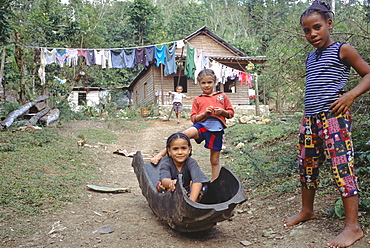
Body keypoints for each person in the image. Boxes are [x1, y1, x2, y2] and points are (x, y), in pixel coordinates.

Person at [284, 1, 370, 248]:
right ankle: (307, 210)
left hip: (334, 118)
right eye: (307, 30)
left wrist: (350, 95)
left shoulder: (343, 50)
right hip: (310, 119)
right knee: (306, 165)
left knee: (342, 168)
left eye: (317, 27)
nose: (312, 34)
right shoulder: (311, 58)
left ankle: (353, 227)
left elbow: (368, 74)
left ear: (329, 24)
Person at [151, 69, 234, 180]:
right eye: (203, 83)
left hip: (216, 129)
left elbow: (230, 113)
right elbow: (194, 118)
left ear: (215, 82)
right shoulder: (198, 99)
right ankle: (160, 155)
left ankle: (215, 185)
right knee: (182, 135)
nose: (207, 85)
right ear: (199, 84)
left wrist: (222, 112)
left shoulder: (222, 96)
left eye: (209, 82)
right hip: (202, 126)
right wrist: (204, 113)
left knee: (214, 161)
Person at [156, 133, 210, 202]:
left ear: (189, 149)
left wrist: (190, 203)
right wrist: (171, 183)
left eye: (183, 148)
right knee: (164, 186)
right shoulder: (166, 163)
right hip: (172, 188)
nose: (180, 152)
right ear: (169, 150)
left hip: (188, 191)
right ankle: (173, 204)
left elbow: (197, 182)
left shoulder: (191, 163)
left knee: (201, 187)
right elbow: (165, 180)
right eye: (175, 149)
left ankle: (192, 203)